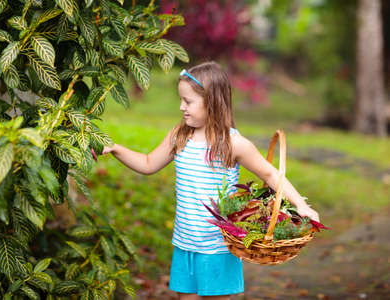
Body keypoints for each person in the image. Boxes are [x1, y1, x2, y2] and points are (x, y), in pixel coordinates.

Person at [102, 61, 320, 300]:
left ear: (212, 102)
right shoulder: (179, 136)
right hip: (185, 244)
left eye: (188, 101)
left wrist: (301, 205)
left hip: (218, 248)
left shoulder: (233, 144)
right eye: (181, 100)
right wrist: (115, 149)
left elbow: (270, 174)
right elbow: (147, 163)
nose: (181, 107)